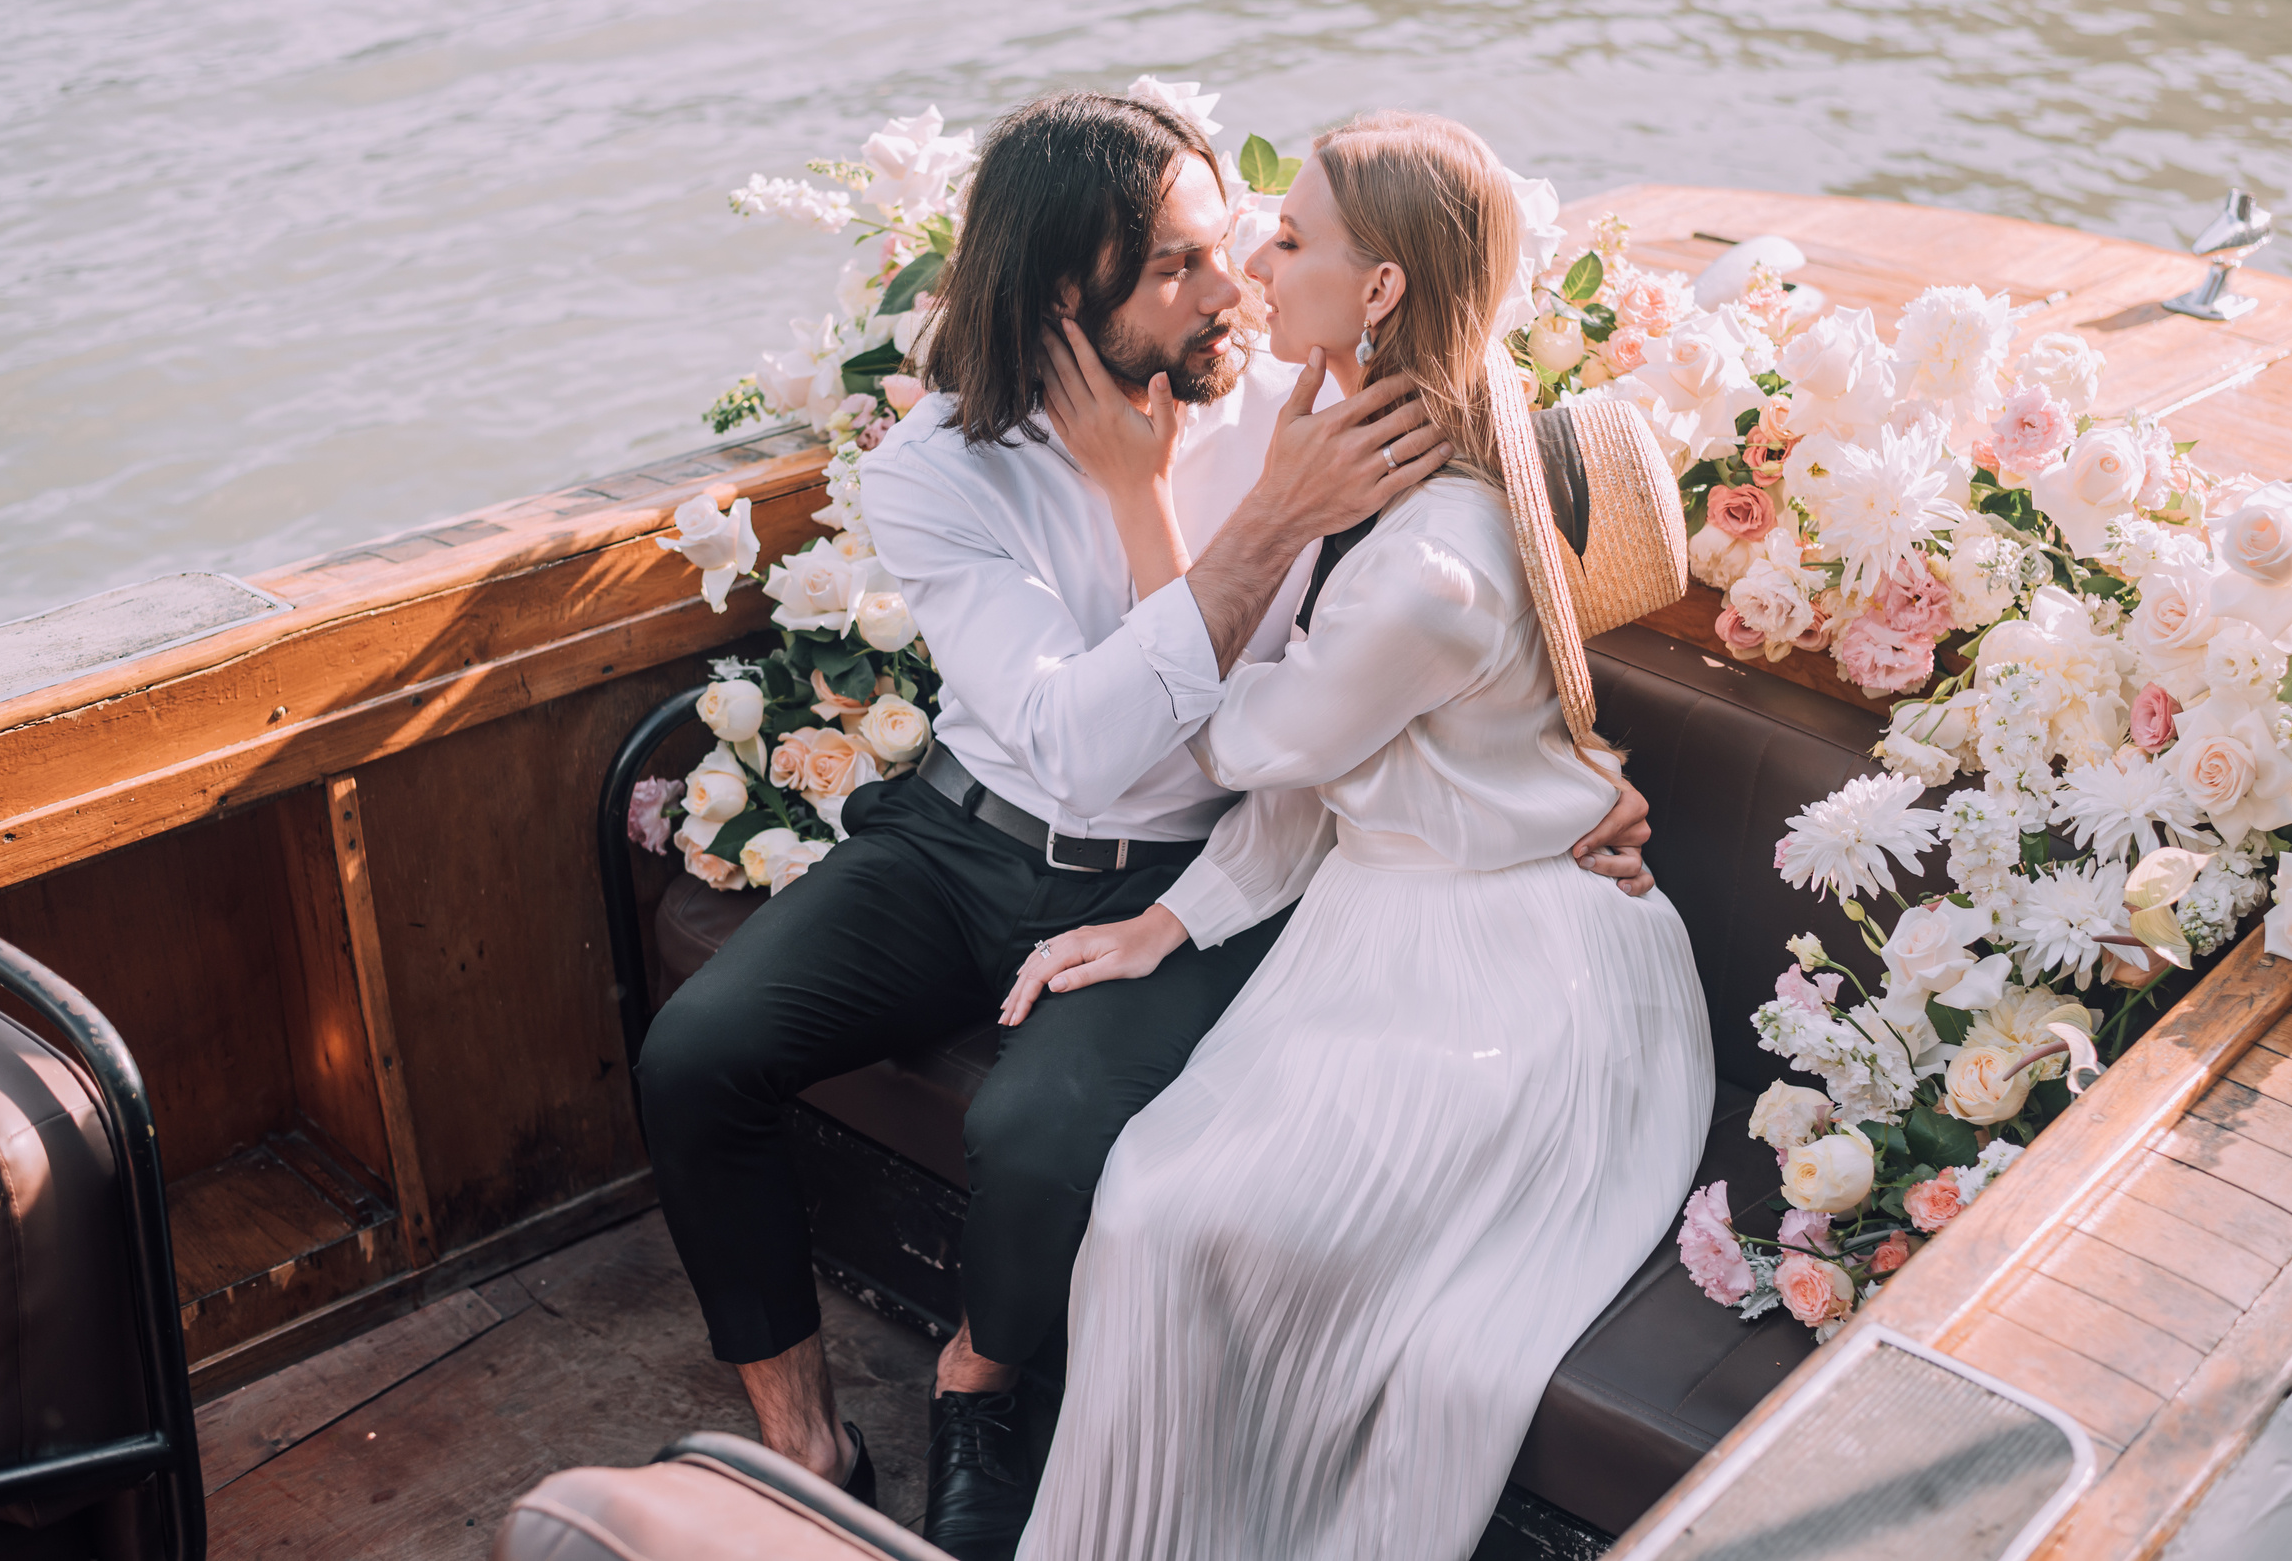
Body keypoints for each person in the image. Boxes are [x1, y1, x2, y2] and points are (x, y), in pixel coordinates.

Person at [634, 90, 1661, 1561]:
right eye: (1181, 262)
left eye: (1232, 240)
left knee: (1037, 1132)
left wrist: (1579, 774)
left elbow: (1483, 587)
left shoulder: (1291, 400)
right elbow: (1067, 734)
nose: (1233, 281)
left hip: (1197, 864)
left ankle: (979, 1381)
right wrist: (1188, 517)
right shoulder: (937, 465)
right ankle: (803, 1434)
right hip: (967, 834)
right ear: (1070, 293)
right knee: (698, 1053)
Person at [1001, 110, 1718, 1561]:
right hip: (1378, 925)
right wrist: (1168, 921)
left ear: (1380, 291)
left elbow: (1253, 739)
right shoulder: (1359, 445)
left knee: (1168, 1209)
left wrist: (1153, 522)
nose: (1262, 255)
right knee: (1155, 1204)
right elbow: (1318, 780)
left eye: (1294, 235)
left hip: (1515, 981)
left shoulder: (1434, 564)